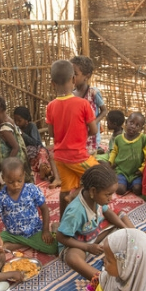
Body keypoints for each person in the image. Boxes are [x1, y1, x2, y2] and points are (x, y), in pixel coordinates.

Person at [56, 165, 134, 280]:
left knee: (120, 215)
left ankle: (135, 236)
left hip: (93, 236)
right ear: (93, 191)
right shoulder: (76, 212)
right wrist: (88, 247)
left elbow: (108, 213)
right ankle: (102, 280)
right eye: (108, 194)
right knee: (72, 258)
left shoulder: (96, 199)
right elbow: (61, 237)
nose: (111, 198)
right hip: (79, 245)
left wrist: (126, 229)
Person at [45, 60, 99, 217]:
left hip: (60, 157)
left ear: (52, 83)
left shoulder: (51, 106)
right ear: (73, 79)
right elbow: (94, 130)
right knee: (100, 178)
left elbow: (52, 134)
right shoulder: (83, 104)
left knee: (65, 188)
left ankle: (63, 221)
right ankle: (90, 215)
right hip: (77, 155)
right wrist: (81, 133)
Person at [0, 158, 57, 255]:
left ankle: (21, 243)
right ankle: (26, 243)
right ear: (3, 178)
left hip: (35, 231)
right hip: (12, 234)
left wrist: (46, 230)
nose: (16, 185)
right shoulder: (0, 198)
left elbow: (44, 209)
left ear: (24, 176)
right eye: (11, 182)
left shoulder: (32, 189)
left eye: (19, 180)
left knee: (54, 248)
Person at [0, 93, 33, 185]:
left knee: (6, 186)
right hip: (19, 163)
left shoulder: (4, 129)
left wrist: (7, 168)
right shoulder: (10, 121)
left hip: (10, 165)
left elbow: (15, 147)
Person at [12, 106, 60, 187]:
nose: (17, 123)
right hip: (29, 155)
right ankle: (47, 173)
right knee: (29, 159)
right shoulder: (16, 130)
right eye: (15, 120)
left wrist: (22, 134)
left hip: (37, 149)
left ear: (26, 120)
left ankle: (44, 169)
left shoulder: (32, 126)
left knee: (42, 153)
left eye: (19, 120)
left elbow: (35, 142)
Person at [71, 56, 107, 156]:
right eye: (70, 73)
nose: (71, 77)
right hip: (77, 137)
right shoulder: (71, 94)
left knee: (89, 163)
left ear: (87, 76)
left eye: (75, 74)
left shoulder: (93, 93)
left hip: (91, 138)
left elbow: (104, 110)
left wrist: (94, 122)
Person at [109, 112, 146, 196]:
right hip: (122, 170)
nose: (133, 126)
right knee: (120, 190)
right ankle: (123, 183)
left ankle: (130, 184)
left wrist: (141, 169)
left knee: (137, 189)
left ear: (141, 129)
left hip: (136, 173)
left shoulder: (143, 139)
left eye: (137, 125)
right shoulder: (118, 139)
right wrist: (110, 162)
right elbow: (114, 152)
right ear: (126, 122)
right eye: (131, 123)